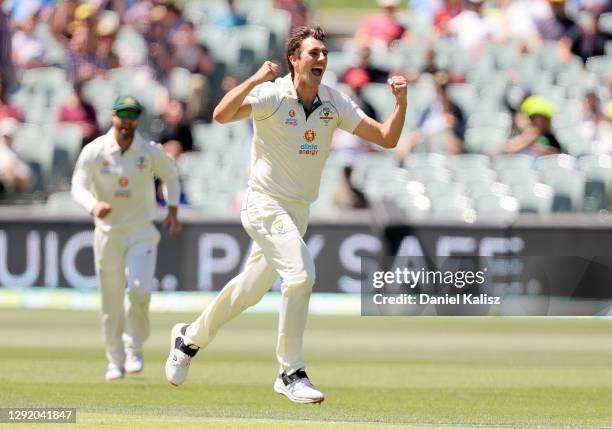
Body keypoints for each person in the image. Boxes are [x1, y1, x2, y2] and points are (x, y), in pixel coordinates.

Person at [164, 25, 407, 404]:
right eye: (313, 53)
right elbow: (221, 114)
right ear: (293, 59)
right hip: (263, 203)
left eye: (325, 53)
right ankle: (290, 370)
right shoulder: (273, 95)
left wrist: (400, 103)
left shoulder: (334, 103)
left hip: (297, 212)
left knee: (248, 291)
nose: (322, 59)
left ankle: (189, 339)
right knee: (301, 275)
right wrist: (257, 78)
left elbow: (387, 138)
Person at [71, 95, 182, 381]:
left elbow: (170, 175)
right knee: (110, 302)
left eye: (133, 115)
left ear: (138, 119)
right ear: (113, 116)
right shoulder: (95, 150)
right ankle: (114, 359)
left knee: (138, 292)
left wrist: (172, 209)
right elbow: (78, 186)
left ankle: (134, 348)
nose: (127, 121)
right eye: (123, 115)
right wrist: (93, 206)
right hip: (107, 233)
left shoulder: (148, 150)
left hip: (141, 232)